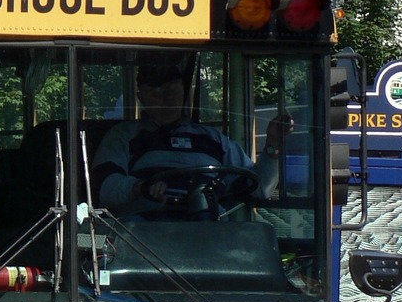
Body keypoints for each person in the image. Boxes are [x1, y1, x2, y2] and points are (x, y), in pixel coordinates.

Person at [91, 57, 293, 216]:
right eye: (157, 91)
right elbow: (104, 187)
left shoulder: (214, 139)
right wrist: (140, 188)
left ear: (185, 93)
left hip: (209, 229)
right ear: (140, 96)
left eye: (174, 89)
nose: (167, 98)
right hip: (145, 232)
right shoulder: (123, 135)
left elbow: (260, 189)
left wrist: (272, 146)